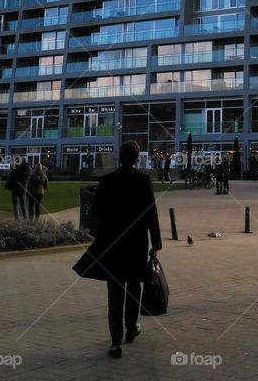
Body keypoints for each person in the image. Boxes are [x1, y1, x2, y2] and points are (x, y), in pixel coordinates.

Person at [90, 141, 163, 359]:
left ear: (119, 157)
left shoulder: (106, 181)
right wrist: (156, 241)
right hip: (136, 242)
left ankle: (115, 341)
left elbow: (96, 211)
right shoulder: (142, 180)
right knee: (133, 286)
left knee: (114, 291)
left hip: (112, 242)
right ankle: (131, 328)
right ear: (136, 157)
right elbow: (151, 213)